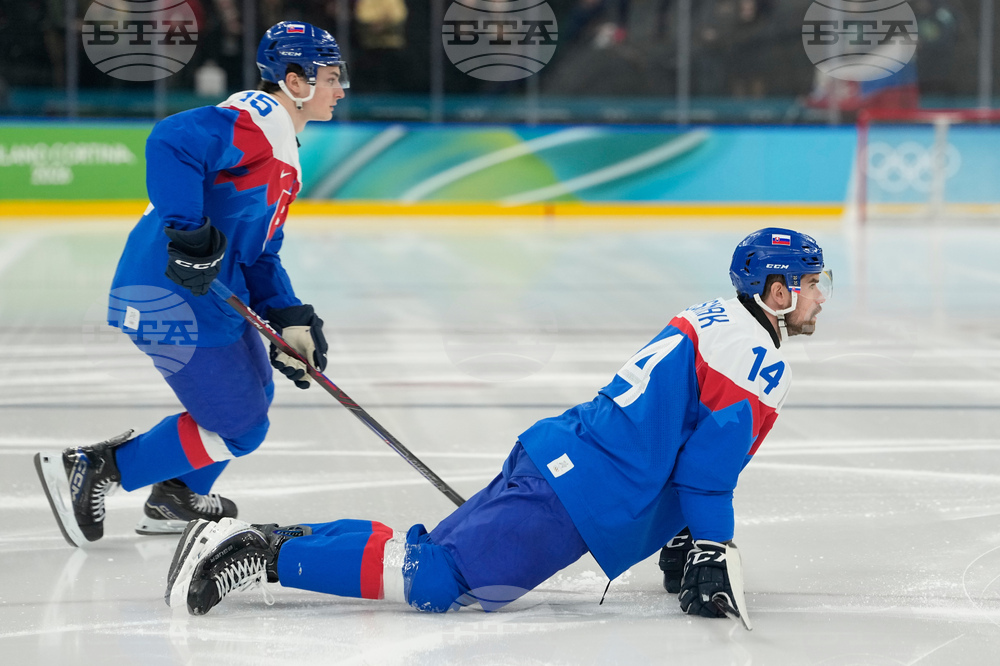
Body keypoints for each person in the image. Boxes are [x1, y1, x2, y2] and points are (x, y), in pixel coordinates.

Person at [165, 228, 832, 617]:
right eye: (811, 283)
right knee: (438, 581)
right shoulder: (759, 361)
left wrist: (681, 534)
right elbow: (707, 473)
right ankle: (260, 555)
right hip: (583, 496)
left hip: (562, 457)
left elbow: (675, 425)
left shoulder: (715, 315)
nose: (819, 296)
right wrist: (712, 546)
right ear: (778, 292)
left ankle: (268, 537)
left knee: (433, 553)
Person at [33, 21, 348, 547]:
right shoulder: (256, 121)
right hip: (169, 295)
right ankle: (98, 467)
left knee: (255, 394)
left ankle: (175, 497)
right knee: (241, 426)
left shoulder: (282, 145)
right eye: (332, 78)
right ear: (295, 82)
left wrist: (288, 314)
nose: (340, 90)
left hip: (207, 296)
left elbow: (259, 251)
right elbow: (172, 140)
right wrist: (189, 233)